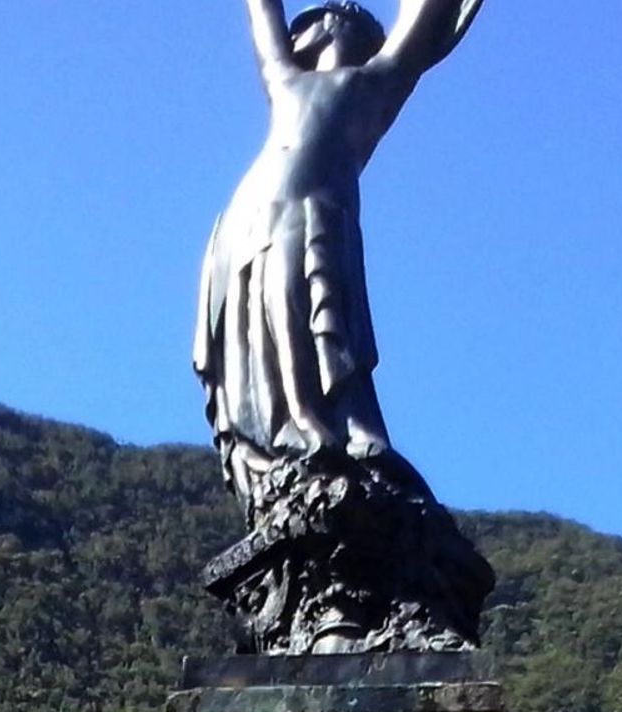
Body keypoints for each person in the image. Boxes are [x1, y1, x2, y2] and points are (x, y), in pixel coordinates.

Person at [196, 0, 487, 510]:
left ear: (336, 25)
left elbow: (424, 21)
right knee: (264, 330)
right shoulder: (285, 81)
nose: (294, 35)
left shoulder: (375, 83)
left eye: (307, 21)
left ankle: (332, 433)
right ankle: (297, 435)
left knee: (309, 316)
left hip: (311, 213)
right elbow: (263, 16)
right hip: (248, 218)